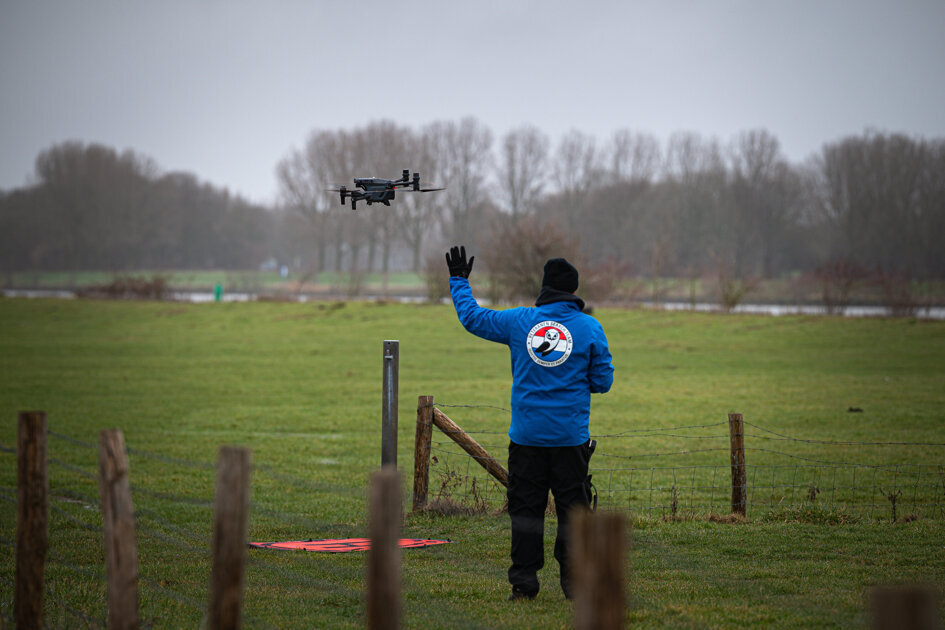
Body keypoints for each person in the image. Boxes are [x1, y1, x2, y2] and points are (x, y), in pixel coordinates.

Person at [445, 245, 614, 601]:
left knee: (526, 512)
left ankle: (524, 583)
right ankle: (573, 582)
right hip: (570, 441)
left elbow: (473, 318)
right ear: (574, 291)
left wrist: (459, 281)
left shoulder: (520, 321)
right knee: (573, 512)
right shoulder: (589, 328)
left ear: (545, 287)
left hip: (526, 440)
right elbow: (602, 383)